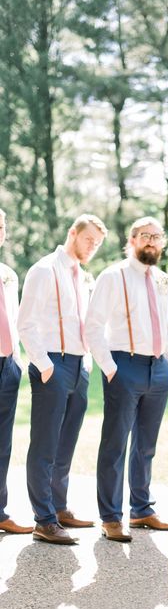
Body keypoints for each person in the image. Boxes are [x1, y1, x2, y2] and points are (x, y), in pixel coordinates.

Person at [85, 217, 168, 543]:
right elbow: (93, 325)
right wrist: (110, 368)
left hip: (159, 370)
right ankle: (111, 516)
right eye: (144, 236)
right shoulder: (114, 276)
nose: (150, 241)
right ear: (132, 240)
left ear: (161, 243)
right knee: (115, 444)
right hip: (124, 366)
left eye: (156, 236)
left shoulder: (164, 279)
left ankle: (141, 509)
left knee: (146, 446)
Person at [18, 214, 107, 544]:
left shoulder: (82, 276)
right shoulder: (44, 270)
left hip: (78, 366)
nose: (91, 247)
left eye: (97, 244)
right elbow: (25, 323)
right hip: (52, 365)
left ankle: (59, 507)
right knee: (44, 445)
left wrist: (86, 364)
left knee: (66, 443)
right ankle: (43, 519)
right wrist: (45, 366)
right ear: (73, 232)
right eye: (88, 240)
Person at [0, 208, 33, 534]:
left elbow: (13, 318)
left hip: (8, 366)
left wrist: (17, 360)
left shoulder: (8, 273)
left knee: (3, 443)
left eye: (0, 226)